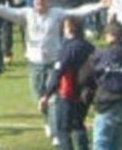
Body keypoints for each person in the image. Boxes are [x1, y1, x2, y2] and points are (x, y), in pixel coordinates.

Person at [0, 0, 111, 147]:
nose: (39, 6)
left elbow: (78, 11)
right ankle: (48, 122)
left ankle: (56, 132)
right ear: (33, 4)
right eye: (37, 3)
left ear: (48, 3)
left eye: (43, 3)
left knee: (52, 98)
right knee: (38, 97)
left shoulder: (56, 14)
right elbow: (8, 12)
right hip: (34, 63)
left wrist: (100, 5)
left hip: (53, 62)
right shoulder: (27, 14)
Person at [85, 16, 122, 150]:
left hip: (107, 103)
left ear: (109, 35)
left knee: (101, 143)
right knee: (118, 143)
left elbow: (88, 77)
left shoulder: (100, 55)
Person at [39, 17, 95, 150]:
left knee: (63, 129)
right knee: (78, 124)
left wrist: (46, 95)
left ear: (69, 29)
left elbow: (58, 72)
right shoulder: (90, 47)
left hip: (68, 92)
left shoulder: (68, 48)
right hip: (87, 92)